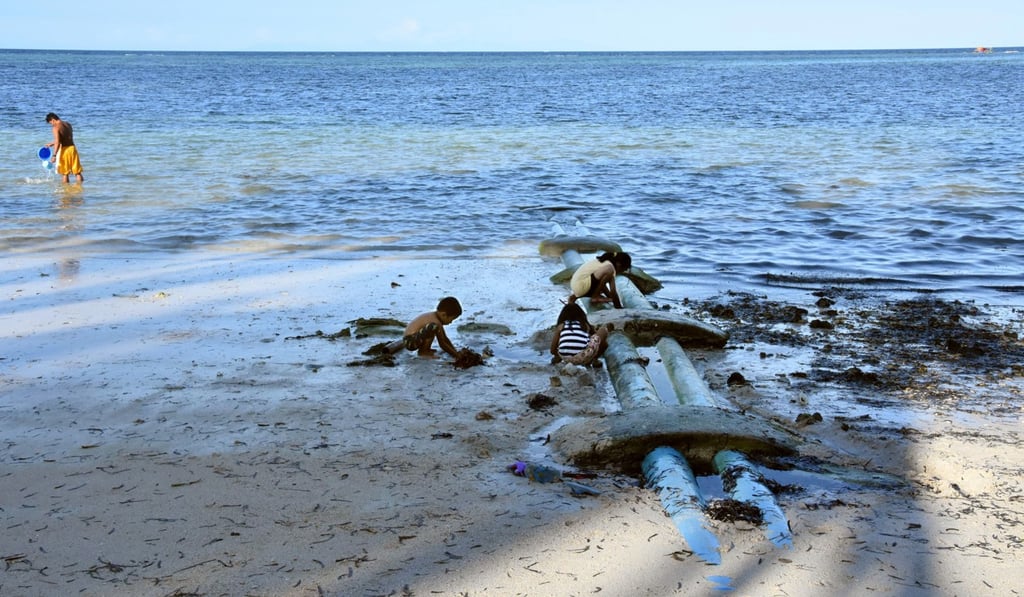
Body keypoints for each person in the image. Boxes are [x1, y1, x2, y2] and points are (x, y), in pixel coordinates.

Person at [390, 296, 463, 358]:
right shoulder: (435, 322)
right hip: (410, 341)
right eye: (451, 319)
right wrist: (456, 355)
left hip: (413, 339)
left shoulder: (436, 319)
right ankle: (423, 351)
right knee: (433, 327)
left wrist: (455, 351)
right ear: (444, 314)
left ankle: (425, 349)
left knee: (434, 327)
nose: (451, 322)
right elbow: (442, 344)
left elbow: (444, 338)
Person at [549, 298, 613, 366]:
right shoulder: (584, 325)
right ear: (581, 314)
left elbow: (552, 350)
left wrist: (559, 355)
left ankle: (558, 358)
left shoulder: (561, 326)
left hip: (565, 358)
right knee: (603, 331)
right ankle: (595, 360)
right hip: (583, 356)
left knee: (563, 341)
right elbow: (596, 338)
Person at [45, 112, 84, 184]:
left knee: (65, 173)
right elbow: (66, 138)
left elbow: (58, 142)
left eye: (51, 123)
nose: (52, 125)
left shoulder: (56, 128)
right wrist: (52, 143)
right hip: (73, 149)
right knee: (77, 172)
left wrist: (54, 155)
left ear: (53, 120)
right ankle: (80, 188)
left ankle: (65, 192)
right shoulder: (68, 124)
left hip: (65, 150)